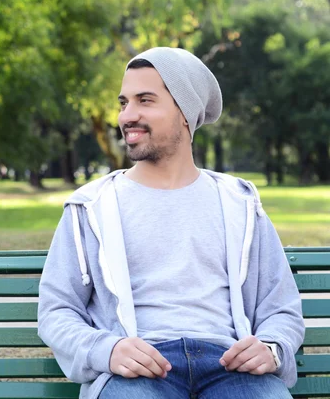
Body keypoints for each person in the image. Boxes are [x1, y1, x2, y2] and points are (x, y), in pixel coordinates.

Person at [37, 47, 305, 399]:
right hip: (138, 374)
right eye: (124, 103)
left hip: (230, 368)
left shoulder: (239, 203)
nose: (127, 116)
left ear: (185, 112)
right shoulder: (91, 206)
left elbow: (280, 306)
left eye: (145, 100)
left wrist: (272, 347)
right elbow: (57, 309)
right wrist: (109, 350)